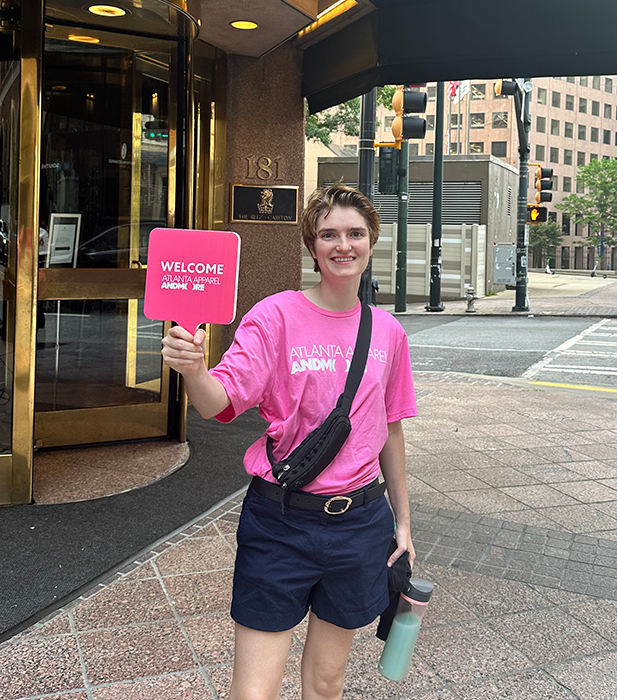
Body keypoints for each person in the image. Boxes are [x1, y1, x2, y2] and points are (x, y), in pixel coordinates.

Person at [161, 182, 417, 700]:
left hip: (360, 525)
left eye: (355, 233)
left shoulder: (388, 332)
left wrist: (403, 521)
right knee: (254, 691)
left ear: (372, 242)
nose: (342, 245)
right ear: (311, 245)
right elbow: (220, 402)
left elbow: (389, 428)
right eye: (329, 234)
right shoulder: (274, 317)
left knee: (326, 683)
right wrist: (192, 370)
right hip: (280, 525)